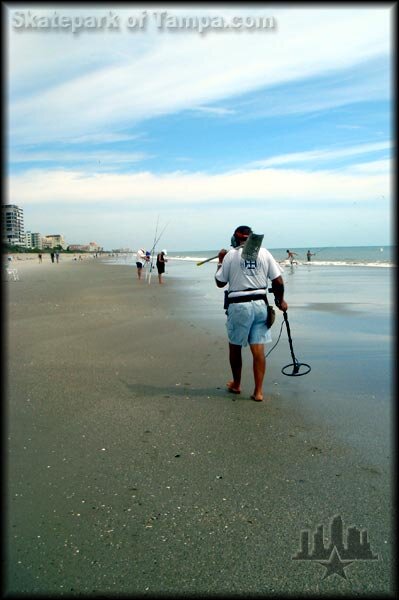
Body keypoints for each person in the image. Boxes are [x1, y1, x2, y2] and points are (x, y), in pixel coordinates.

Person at [215, 225, 288, 402]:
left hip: (239, 306)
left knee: (235, 346)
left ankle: (237, 384)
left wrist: (220, 260)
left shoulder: (230, 255)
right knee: (258, 349)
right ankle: (259, 392)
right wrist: (280, 301)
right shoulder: (264, 253)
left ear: (235, 238)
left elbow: (220, 282)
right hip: (260, 305)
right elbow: (278, 281)